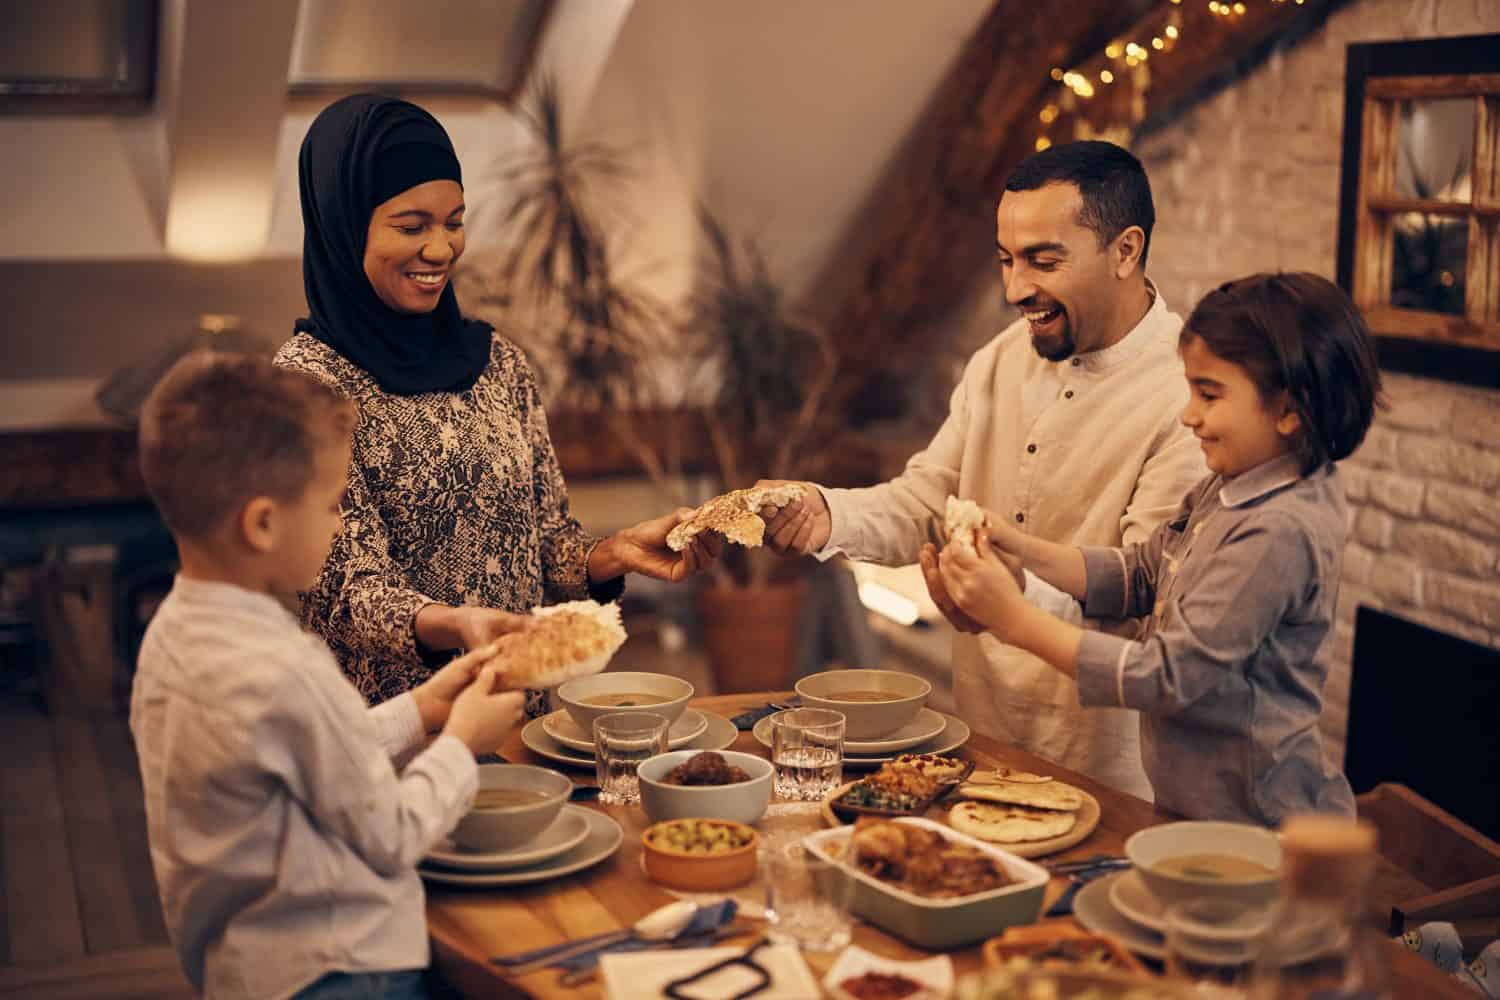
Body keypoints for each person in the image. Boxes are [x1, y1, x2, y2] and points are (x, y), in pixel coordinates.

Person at [761, 141, 1205, 797]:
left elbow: (1147, 610)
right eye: (1005, 260)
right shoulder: (997, 360)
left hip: (1111, 776)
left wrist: (1008, 599)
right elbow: (924, 504)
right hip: (983, 744)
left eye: (1043, 261)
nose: (1014, 289)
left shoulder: (1189, 395)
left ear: (1125, 250)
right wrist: (827, 514)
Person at [275, 94, 718, 711]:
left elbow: (545, 544)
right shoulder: (306, 387)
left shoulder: (497, 361)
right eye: (411, 226)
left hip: (517, 716)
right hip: (391, 737)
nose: (440, 250)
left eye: (454, 222)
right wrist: (457, 624)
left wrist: (611, 555)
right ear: (343, 226)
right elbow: (345, 591)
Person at [131, 353, 526, 998]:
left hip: (245, 968)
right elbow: (391, 833)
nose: (340, 524)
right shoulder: (287, 665)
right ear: (262, 523)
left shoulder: (173, 638)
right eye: (333, 504)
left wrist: (422, 708)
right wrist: (461, 742)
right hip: (344, 969)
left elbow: (306, 757)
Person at [940, 272, 1381, 825]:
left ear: (1290, 410)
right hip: (1191, 813)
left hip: (1260, 830)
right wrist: (1020, 549)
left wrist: (1012, 621)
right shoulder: (1231, 484)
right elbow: (1142, 573)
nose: (1187, 413)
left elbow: (1166, 677)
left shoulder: (1280, 530)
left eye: (1210, 394)